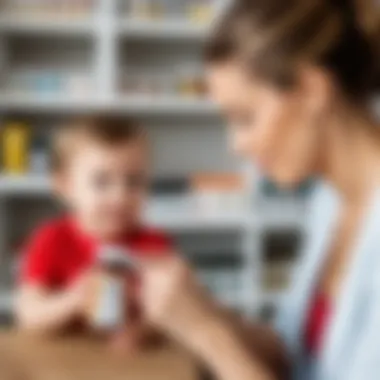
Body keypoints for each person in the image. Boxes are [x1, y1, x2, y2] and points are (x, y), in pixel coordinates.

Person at [138, 0, 380, 379]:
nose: (236, 146)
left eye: (245, 118)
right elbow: (292, 350)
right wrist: (194, 312)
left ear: (312, 90)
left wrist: (209, 335)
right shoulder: (329, 200)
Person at [15, 116, 173, 350]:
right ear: (66, 187)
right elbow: (29, 315)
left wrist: (143, 331)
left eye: (134, 181)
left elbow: (173, 316)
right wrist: (73, 300)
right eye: (102, 182)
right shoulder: (51, 240)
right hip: (63, 358)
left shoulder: (153, 243)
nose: (120, 196)